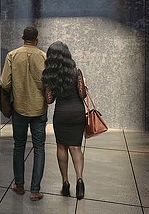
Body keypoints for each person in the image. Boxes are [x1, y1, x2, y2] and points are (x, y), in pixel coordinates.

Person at [1, 26, 47, 201]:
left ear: (22, 38)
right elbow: (47, 83)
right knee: (39, 148)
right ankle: (35, 191)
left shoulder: (12, 55)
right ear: (37, 39)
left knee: (19, 146)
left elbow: (5, 83)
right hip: (39, 108)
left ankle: (19, 185)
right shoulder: (43, 56)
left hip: (19, 108)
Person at [42, 41, 88, 200]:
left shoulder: (49, 74)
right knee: (76, 148)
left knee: (61, 147)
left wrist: (47, 86)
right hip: (77, 113)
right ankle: (80, 180)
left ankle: (65, 183)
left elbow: (49, 100)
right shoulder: (76, 72)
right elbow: (82, 95)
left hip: (61, 113)